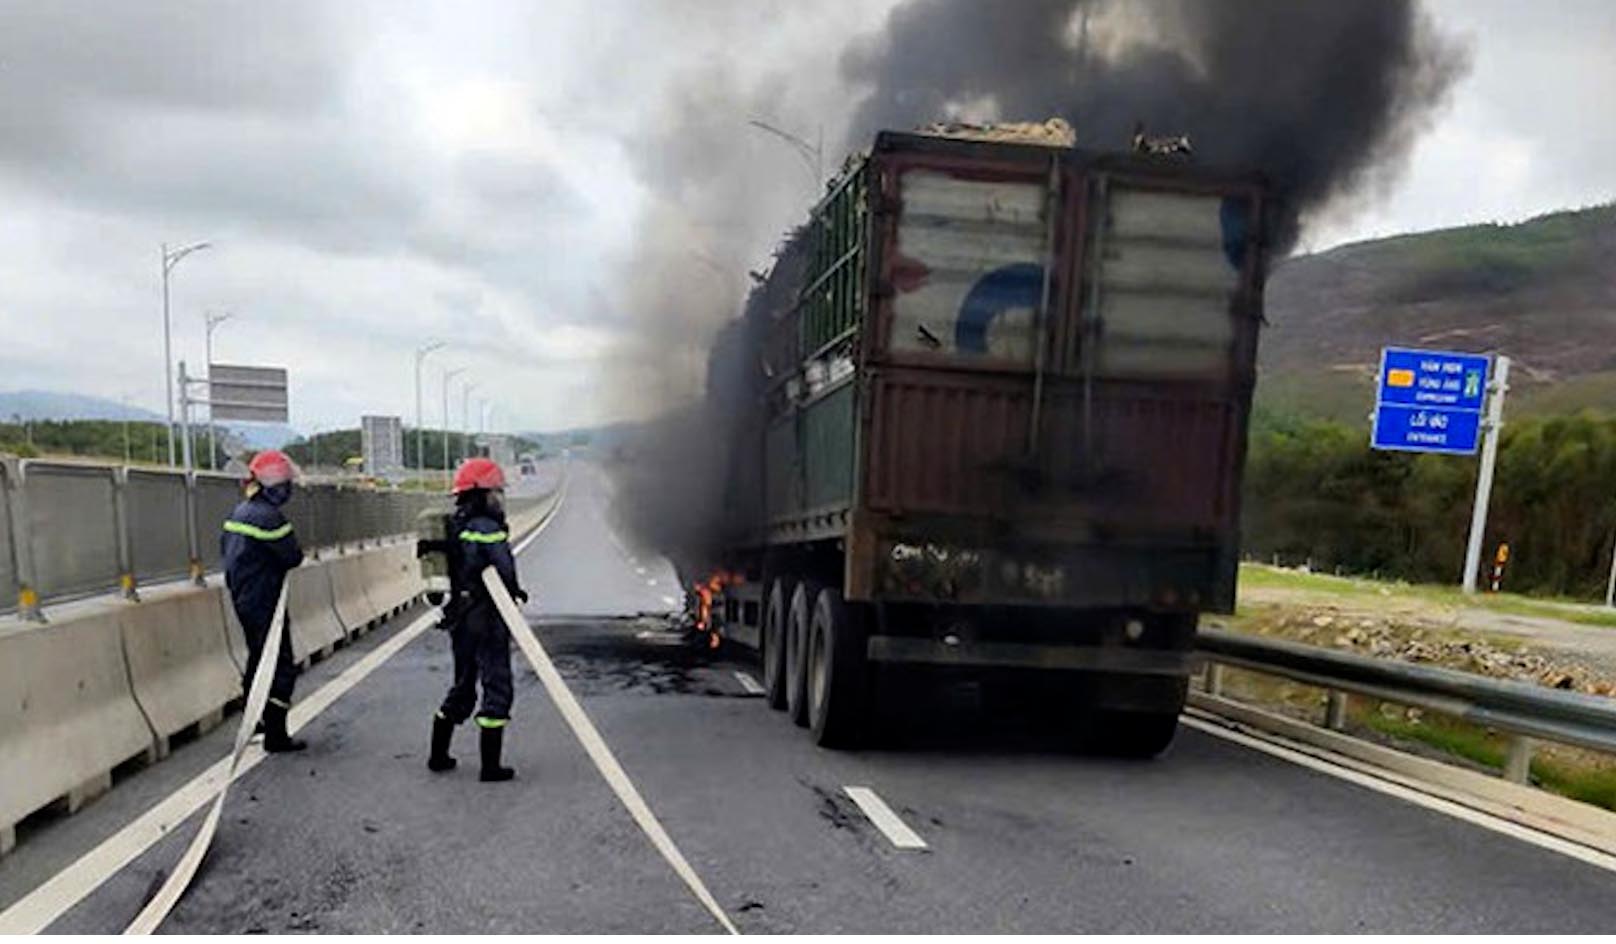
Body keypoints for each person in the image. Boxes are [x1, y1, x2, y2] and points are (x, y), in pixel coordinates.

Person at [429, 457, 528, 782]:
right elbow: (502, 567)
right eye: (495, 492)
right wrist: (515, 591)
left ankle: (438, 754)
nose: (498, 498)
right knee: (496, 684)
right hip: (486, 615)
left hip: (460, 616)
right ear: (481, 493)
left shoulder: (457, 523)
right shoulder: (486, 527)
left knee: (463, 684)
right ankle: (490, 766)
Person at [222, 448, 307, 753]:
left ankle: (254, 717)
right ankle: (276, 733)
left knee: (258, 658)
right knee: (279, 664)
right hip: (265, 600)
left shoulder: (238, 513)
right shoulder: (270, 519)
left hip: (243, 596)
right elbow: (293, 556)